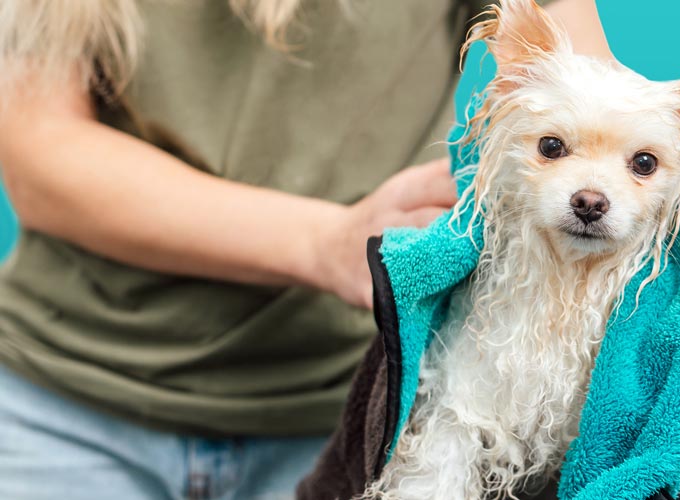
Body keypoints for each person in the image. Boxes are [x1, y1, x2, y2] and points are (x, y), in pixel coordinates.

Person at [0, 1, 611, 498]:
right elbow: (40, 156)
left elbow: (567, 55)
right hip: (65, 415)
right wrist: (327, 245)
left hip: (346, 424)